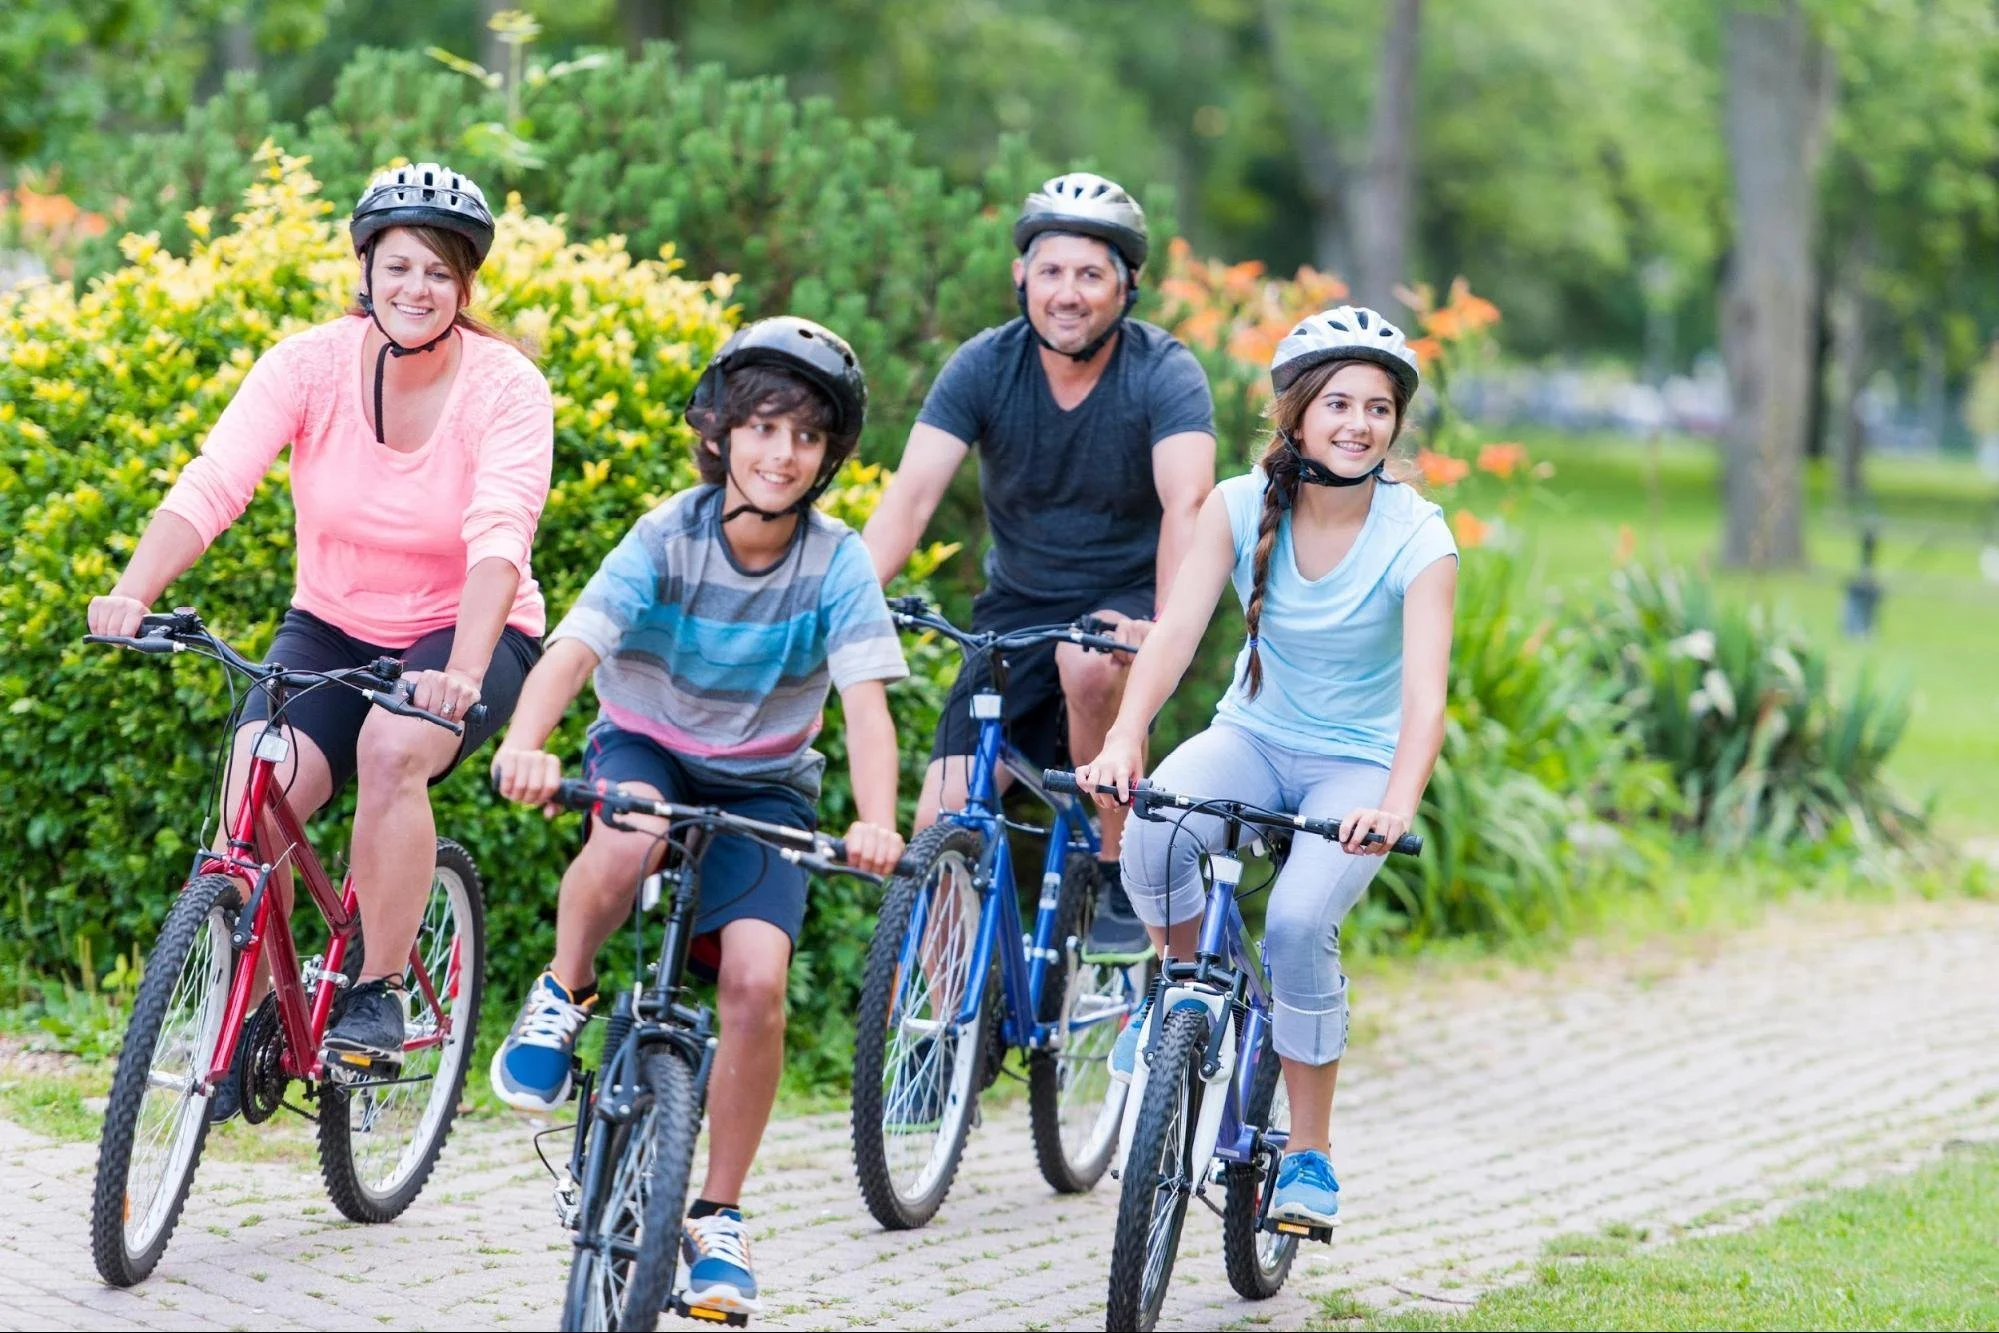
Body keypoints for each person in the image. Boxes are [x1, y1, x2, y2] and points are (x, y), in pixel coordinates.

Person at [84, 162, 553, 1098]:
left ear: (464, 286)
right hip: (331, 626)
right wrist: (131, 589)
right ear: (366, 266)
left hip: (466, 633)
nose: (416, 288)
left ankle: (378, 990)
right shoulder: (307, 364)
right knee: (254, 786)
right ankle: (259, 1012)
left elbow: (500, 531)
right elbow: (216, 480)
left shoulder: (506, 387)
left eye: (439, 272)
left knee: (392, 750)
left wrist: (461, 670)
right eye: (399, 266)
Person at [488, 316, 908, 1317]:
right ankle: (564, 987)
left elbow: (864, 709)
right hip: (651, 748)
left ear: (827, 458)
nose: (781, 453)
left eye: (806, 438)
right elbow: (576, 647)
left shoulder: (836, 561)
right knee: (627, 831)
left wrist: (878, 819)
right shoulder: (666, 535)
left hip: (764, 786)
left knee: (759, 981)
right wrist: (526, 740)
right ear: (720, 431)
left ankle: (717, 1214)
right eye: (762, 428)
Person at [1073, 305, 1458, 1229]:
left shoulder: (1419, 537)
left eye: (1376, 407)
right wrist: (1126, 737)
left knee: (1292, 925)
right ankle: (1167, 992)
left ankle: (1310, 1155)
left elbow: (1423, 699)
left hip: (1355, 768)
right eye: (1337, 404)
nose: (1358, 424)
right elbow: (1173, 634)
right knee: (1157, 833)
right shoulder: (1240, 505)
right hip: (1251, 735)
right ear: (1295, 415)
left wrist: (1397, 804)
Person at [861, 172, 1216, 958]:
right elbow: (910, 498)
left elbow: (1186, 504)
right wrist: (839, 608)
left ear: (1126, 285)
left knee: (1087, 663)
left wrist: (1159, 628)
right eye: (1051, 271)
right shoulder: (985, 365)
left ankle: (1116, 866)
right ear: (1021, 275)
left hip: (1119, 610)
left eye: (1091, 274)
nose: (1068, 292)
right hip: (1012, 617)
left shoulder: (1164, 371)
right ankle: (946, 1035)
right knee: (938, 826)